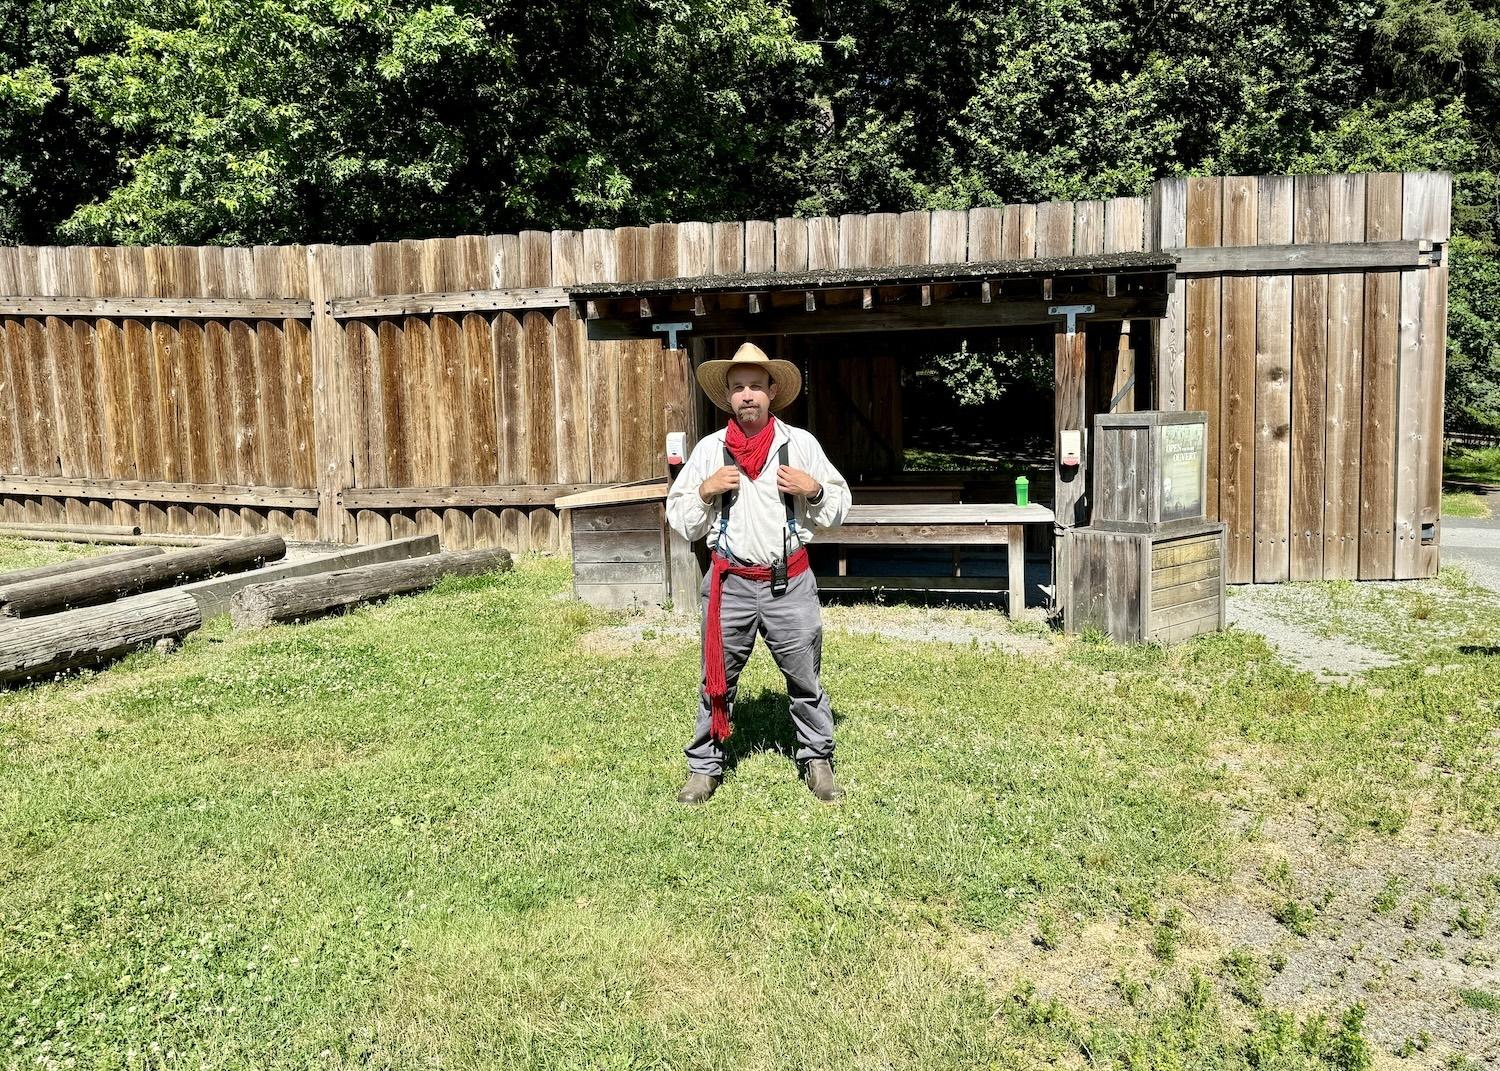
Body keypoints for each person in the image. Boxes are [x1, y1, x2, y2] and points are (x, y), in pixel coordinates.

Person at [665, 340, 851, 805]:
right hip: (729, 585)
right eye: (738, 387)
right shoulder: (710, 451)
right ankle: (704, 767)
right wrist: (705, 491)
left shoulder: (800, 445)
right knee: (716, 681)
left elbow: (839, 509)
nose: (747, 394)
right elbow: (680, 517)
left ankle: (816, 758)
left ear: (772, 392)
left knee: (805, 679)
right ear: (728, 397)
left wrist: (814, 491)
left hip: (789, 582)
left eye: (755, 386)